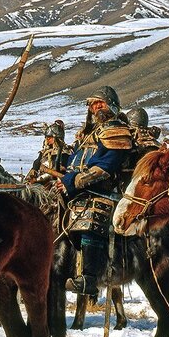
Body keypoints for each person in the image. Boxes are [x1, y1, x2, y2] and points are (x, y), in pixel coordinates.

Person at [56, 87, 134, 299]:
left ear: (112, 105)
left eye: (100, 103)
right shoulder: (88, 134)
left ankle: (90, 278)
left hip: (104, 193)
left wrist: (72, 181)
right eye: (92, 104)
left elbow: (105, 166)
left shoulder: (116, 130)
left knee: (89, 214)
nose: (96, 107)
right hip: (77, 190)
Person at [26, 120, 70, 185]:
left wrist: (37, 180)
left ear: (56, 137)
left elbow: (57, 173)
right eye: (46, 137)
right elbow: (35, 168)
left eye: (49, 137)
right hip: (37, 184)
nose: (47, 139)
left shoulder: (65, 153)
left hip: (53, 185)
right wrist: (29, 178)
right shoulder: (44, 153)